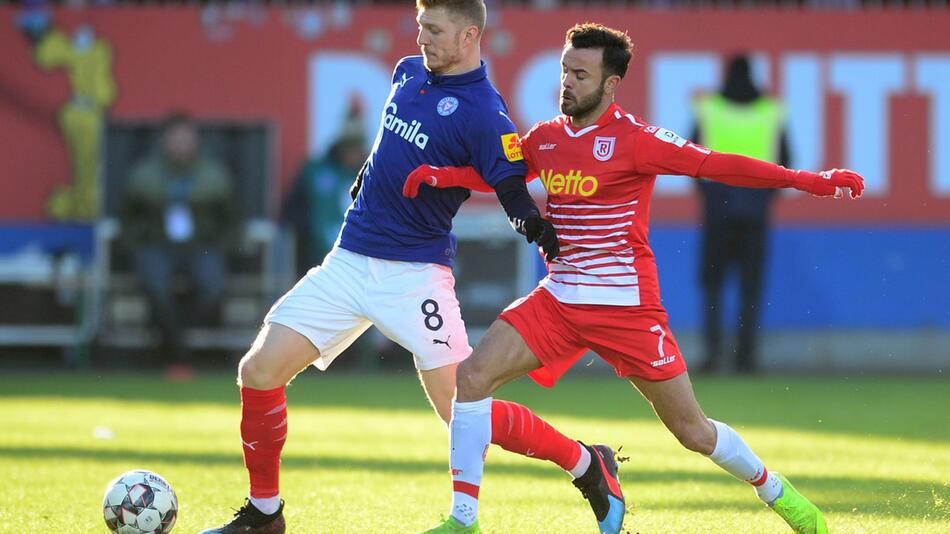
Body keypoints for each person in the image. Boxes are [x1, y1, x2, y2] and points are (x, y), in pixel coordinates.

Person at [410, 23, 863, 534]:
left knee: (693, 432)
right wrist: (442, 176)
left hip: (627, 308)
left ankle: (776, 492)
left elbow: (716, 164)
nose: (567, 83)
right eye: (564, 70)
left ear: (610, 85)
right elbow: (502, 175)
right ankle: (464, 520)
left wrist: (807, 180)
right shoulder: (547, 137)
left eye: (580, 75)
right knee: (470, 380)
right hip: (558, 300)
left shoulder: (637, 140)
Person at [201, 2, 614, 533]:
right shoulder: (406, 71)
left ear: (469, 35)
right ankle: (264, 513)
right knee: (258, 371)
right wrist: (368, 174)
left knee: (462, 412)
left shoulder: (486, 113)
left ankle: (585, 462)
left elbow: (509, 182)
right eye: (420, 27)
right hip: (348, 262)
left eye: (434, 30)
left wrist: (532, 224)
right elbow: (389, 142)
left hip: (415, 277)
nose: (422, 38)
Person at [692, 54, 791, 374]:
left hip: (717, 209)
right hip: (755, 211)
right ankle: (746, 358)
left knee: (713, 286)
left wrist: (710, 194)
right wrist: (762, 196)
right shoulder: (770, 110)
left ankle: (712, 354)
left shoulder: (709, 109)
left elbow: (687, 156)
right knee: (751, 287)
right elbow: (786, 159)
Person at [119, 112, 237, 377]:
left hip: (200, 246)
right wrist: (137, 246)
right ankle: (177, 351)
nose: (181, 144)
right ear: (163, 141)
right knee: (155, 284)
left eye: (186, 138)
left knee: (213, 285)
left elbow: (231, 220)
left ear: (196, 141)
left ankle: (174, 337)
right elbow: (126, 219)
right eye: (175, 138)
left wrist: (220, 245)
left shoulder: (213, 175)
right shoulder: (144, 174)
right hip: (157, 245)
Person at [282, 99, 367, 277]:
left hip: (362, 267)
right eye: (348, 146)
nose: (352, 154)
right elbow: (291, 212)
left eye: (356, 147)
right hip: (316, 262)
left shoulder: (374, 175)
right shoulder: (315, 171)